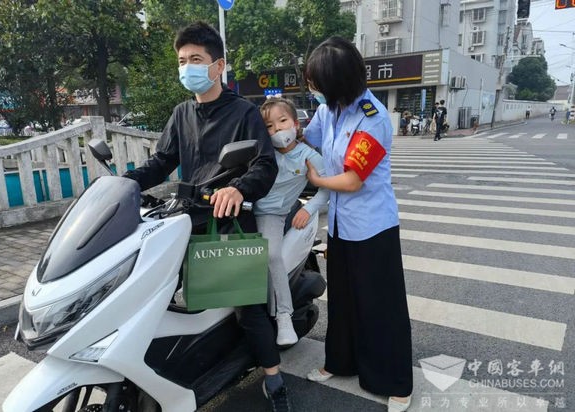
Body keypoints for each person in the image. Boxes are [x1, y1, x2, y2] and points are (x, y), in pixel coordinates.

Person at [122, 22, 291, 412]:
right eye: (182, 61)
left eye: (195, 59)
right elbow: (161, 162)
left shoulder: (244, 112)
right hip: (184, 220)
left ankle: (274, 379)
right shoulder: (181, 113)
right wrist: (122, 184)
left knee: (247, 310)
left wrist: (238, 188)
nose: (187, 68)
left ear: (218, 66)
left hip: (229, 220)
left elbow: (265, 165)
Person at [301, 36, 413, 412]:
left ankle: (396, 382)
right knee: (344, 299)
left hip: (372, 227)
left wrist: (316, 181)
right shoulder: (329, 109)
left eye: (316, 82)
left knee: (380, 305)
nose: (312, 89)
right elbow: (308, 141)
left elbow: (352, 181)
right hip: (339, 224)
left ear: (337, 82)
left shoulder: (372, 118)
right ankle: (339, 362)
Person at [255, 97, 329, 346]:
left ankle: (283, 316)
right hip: (244, 209)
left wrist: (309, 209)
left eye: (282, 121)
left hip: (271, 215)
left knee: (272, 256)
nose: (277, 129)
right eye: (269, 126)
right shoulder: (263, 151)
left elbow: (326, 188)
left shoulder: (308, 156)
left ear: (296, 124)